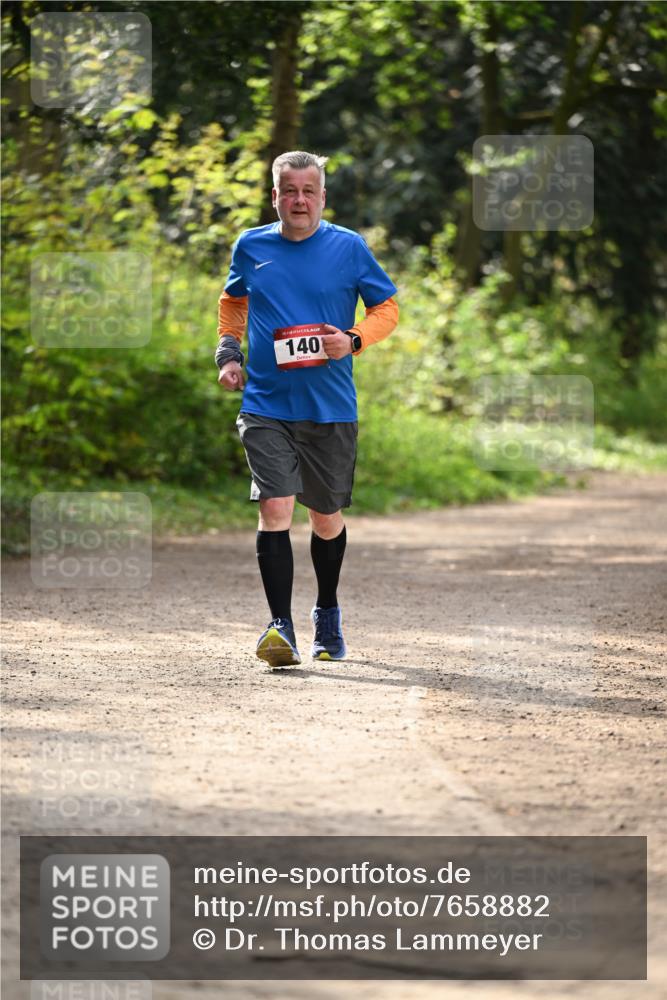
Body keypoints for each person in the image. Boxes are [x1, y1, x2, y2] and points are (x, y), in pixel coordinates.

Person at [216, 150, 398, 668]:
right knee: (276, 506)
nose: (298, 200)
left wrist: (356, 339)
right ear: (275, 196)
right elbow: (233, 302)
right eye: (288, 191)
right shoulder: (251, 246)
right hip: (267, 403)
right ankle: (281, 627)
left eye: (308, 191)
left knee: (325, 517)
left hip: (329, 405)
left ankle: (327, 611)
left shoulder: (349, 247)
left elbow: (386, 307)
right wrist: (228, 353)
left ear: (322, 197)